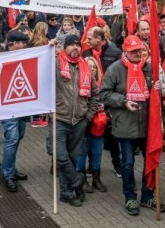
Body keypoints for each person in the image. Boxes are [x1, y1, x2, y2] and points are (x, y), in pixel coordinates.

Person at [100, 35, 165, 215]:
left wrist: (158, 89)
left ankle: (148, 196)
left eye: (139, 50)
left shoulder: (149, 68)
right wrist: (123, 101)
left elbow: (159, 96)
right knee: (128, 164)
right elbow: (104, 94)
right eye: (133, 51)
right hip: (125, 127)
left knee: (150, 162)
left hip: (147, 126)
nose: (138, 53)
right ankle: (130, 197)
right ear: (125, 52)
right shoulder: (115, 69)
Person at [53, 34, 100, 207]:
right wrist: (50, 50)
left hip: (79, 121)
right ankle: (77, 181)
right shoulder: (56, 65)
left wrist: (88, 116)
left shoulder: (85, 68)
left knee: (72, 157)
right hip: (59, 118)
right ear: (65, 48)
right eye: (71, 45)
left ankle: (66, 193)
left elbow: (96, 94)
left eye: (77, 45)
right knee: (60, 156)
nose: (75, 48)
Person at [82, 27, 123, 175]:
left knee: (112, 138)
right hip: (92, 102)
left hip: (109, 102)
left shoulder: (115, 52)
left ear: (99, 38)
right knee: (91, 136)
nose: (87, 40)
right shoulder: (86, 53)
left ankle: (118, 165)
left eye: (90, 38)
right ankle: (90, 167)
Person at [1, 31, 32, 192]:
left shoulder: (27, 57)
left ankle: (11, 168)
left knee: (19, 136)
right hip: (8, 105)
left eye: (24, 42)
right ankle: (8, 174)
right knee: (12, 138)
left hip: (23, 104)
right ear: (11, 44)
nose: (23, 45)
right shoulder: (0, 59)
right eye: (20, 42)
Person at [76, 56, 108, 193]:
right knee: (82, 152)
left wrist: (104, 105)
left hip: (98, 124)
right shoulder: (77, 83)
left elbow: (109, 98)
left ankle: (96, 178)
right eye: (88, 66)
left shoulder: (103, 84)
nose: (92, 69)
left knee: (97, 152)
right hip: (83, 122)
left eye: (94, 67)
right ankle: (81, 179)